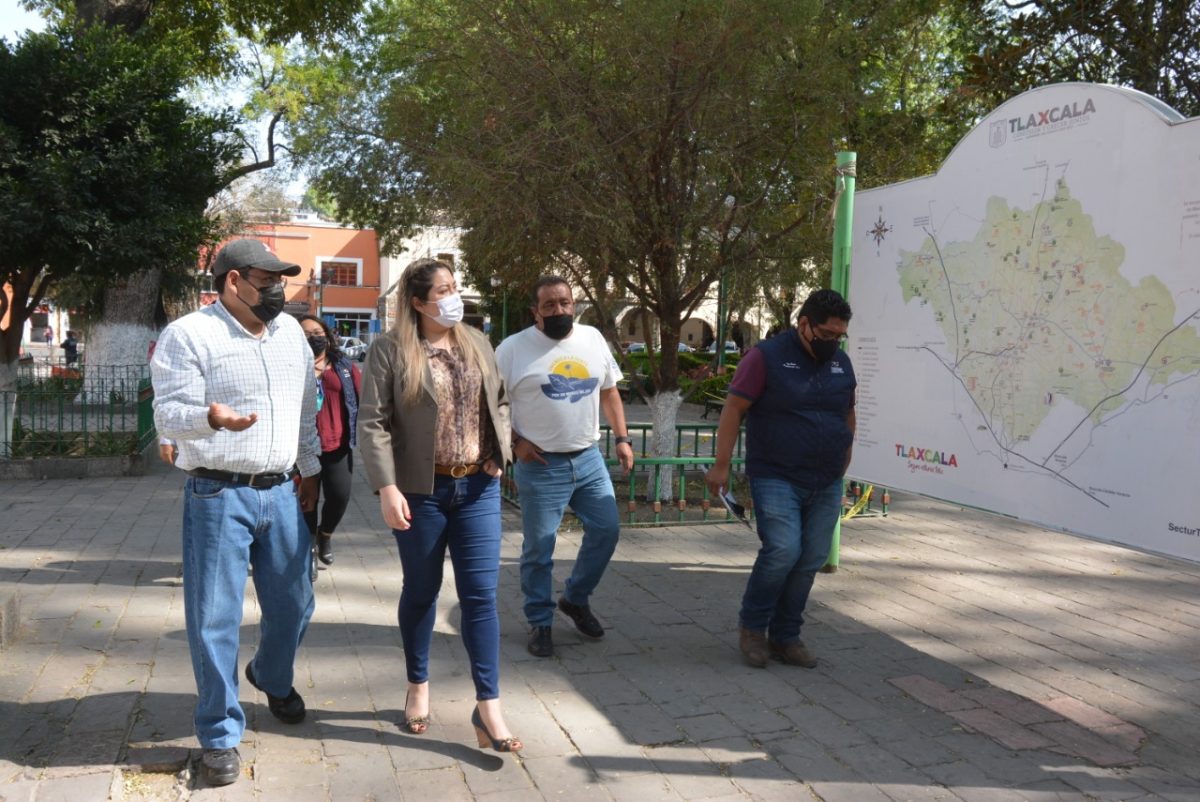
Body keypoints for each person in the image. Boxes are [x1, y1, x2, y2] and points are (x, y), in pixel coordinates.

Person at [151, 238, 321, 787]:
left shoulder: (290, 332)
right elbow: (168, 413)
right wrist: (210, 418)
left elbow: (302, 407)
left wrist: (310, 468)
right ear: (233, 281)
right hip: (218, 494)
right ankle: (219, 734)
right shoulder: (189, 334)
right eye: (267, 279)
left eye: (281, 279)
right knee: (214, 617)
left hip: (280, 491)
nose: (277, 289)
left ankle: (271, 673)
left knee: (295, 602)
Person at [358, 258, 522, 752]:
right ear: (417, 301)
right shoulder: (390, 350)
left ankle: (488, 705)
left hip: (477, 489)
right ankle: (417, 684)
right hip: (419, 492)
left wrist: (500, 451)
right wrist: (387, 488)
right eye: (443, 290)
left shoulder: (477, 342)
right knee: (422, 591)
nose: (454, 296)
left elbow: (501, 401)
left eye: (455, 287)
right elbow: (372, 424)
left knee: (480, 597)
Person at [705, 289, 856, 669]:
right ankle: (753, 628)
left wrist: (846, 459)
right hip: (776, 474)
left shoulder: (842, 364)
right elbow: (733, 409)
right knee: (783, 551)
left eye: (839, 337)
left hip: (825, 477)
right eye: (825, 335)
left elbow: (848, 413)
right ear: (804, 324)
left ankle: (786, 635)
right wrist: (721, 464)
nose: (832, 343)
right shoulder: (765, 358)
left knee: (811, 558)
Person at [495, 276, 635, 659]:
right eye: (549, 305)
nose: (559, 310)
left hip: (588, 458)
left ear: (574, 304)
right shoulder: (512, 349)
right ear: (534, 311)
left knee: (607, 530)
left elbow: (609, 391)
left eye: (565, 303)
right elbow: (491, 404)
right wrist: (514, 444)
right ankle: (540, 621)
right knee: (539, 548)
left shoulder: (591, 339)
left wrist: (622, 439)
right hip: (541, 464)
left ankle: (575, 599)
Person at [297, 314, 362, 570]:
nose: (312, 338)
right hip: (302, 447)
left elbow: (361, 398)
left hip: (337, 445)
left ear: (327, 334)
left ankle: (325, 535)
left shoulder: (343, 366)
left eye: (316, 332)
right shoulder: (291, 366)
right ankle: (308, 551)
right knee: (306, 501)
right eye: (305, 334)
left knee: (339, 497)